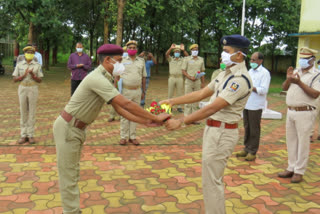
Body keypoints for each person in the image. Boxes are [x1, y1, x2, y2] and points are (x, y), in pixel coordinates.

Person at [53, 44, 169, 214]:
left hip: (76, 128)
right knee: (68, 176)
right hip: (69, 128)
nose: (122, 65)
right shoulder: (97, 78)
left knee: (72, 173)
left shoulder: (105, 77)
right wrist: (154, 117)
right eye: (120, 61)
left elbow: (120, 109)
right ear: (108, 60)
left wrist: (145, 122)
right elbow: (126, 103)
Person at [161, 35, 252, 214]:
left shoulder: (240, 80)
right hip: (213, 130)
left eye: (226, 52)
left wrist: (181, 121)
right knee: (209, 180)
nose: (222, 55)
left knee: (212, 181)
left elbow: (212, 107)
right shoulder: (225, 74)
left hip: (222, 133)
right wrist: (173, 101)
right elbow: (202, 93)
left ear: (239, 56)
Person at [278, 47, 320, 183]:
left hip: (305, 112)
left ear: (312, 60)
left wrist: (299, 82)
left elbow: (315, 94)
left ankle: (299, 171)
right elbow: (284, 88)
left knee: (303, 142)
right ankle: (291, 167)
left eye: (305, 59)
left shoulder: (316, 75)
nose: (302, 61)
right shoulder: (296, 71)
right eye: (301, 58)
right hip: (291, 111)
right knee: (291, 141)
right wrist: (288, 79)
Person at [236, 52, 271, 161]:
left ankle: (252, 151)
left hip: (256, 105)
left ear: (260, 61)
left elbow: (264, 90)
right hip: (247, 103)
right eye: (251, 60)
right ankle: (246, 148)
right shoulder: (250, 71)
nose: (252, 62)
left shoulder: (265, 73)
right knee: (247, 127)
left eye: (254, 60)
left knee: (254, 129)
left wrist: (252, 87)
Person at [12, 45, 43, 144]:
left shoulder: (37, 65)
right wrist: (24, 75)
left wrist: (33, 75)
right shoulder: (19, 64)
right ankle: (23, 134)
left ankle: (31, 135)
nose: (29, 54)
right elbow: (14, 80)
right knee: (23, 111)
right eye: (28, 52)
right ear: (25, 54)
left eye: (31, 53)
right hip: (22, 88)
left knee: (32, 112)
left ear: (34, 54)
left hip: (33, 88)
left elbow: (40, 80)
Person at [119, 40, 147, 146]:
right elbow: (117, 75)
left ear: (137, 50)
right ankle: (123, 137)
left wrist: (144, 91)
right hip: (125, 90)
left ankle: (133, 137)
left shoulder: (141, 61)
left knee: (135, 113)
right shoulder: (122, 60)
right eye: (129, 48)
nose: (132, 49)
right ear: (127, 49)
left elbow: (144, 77)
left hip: (137, 91)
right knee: (125, 114)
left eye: (133, 48)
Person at [182, 44, 205, 119]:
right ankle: (187, 117)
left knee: (196, 99)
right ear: (191, 51)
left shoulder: (201, 59)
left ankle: (194, 117)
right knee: (188, 98)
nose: (195, 51)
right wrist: (190, 77)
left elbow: (202, 71)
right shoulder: (187, 59)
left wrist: (203, 83)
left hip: (197, 81)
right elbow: (183, 71)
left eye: (196, 50)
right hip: (189, 81)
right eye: (194, 50)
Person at [165, 43, 189, 113]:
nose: (177, 53)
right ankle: (170, 106)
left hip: (180, 78)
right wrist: (170, 48)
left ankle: (179, 107)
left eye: (178, 52)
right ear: (174, 52)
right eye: (175, 52)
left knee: (180, 93)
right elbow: (166, 55)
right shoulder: (171, 59)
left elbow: (188, 57)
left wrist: (184, 50)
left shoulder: (182, 60)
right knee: (170, 93)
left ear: (180, 53)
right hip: (171, 77)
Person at [107, 46, 128, 122]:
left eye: (126, 51)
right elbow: (116, 74)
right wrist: (115, 83)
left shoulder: (129, 61)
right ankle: (112, 115)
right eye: (124, 52)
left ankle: (120, 116)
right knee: (115, 99)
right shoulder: (118, 61)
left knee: (123, 100)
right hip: (119, 82)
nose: (125, 53)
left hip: (126, 84)